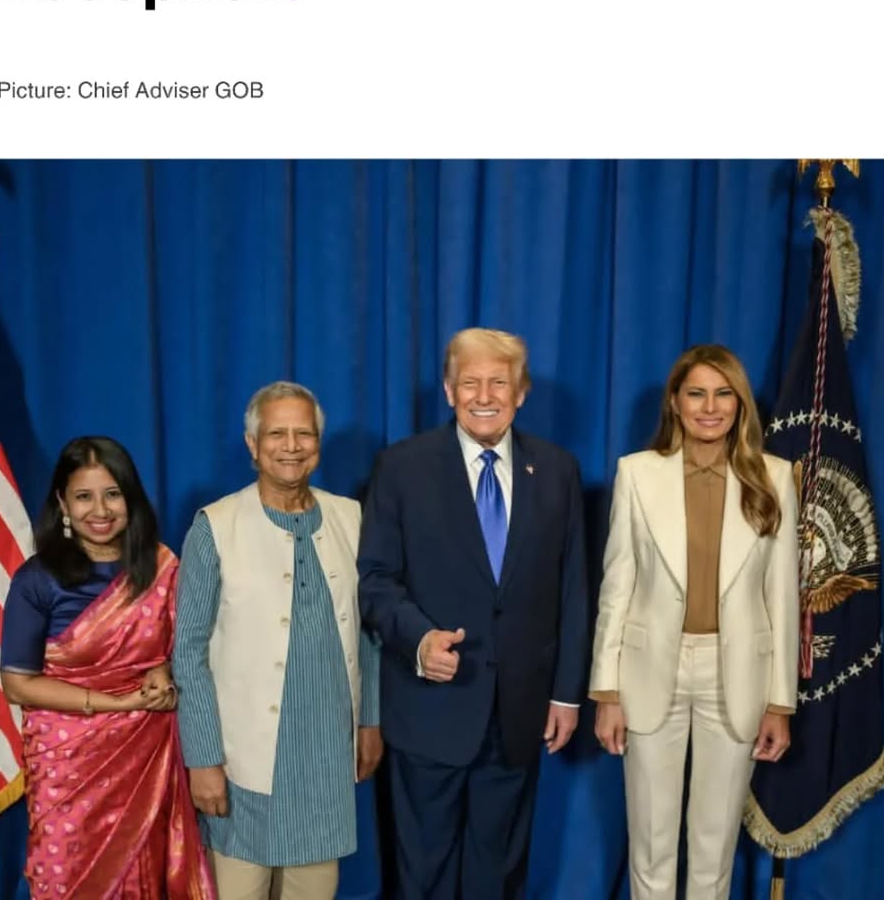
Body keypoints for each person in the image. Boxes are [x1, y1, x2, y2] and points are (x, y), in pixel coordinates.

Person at [359, 327, 588, 899]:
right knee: (423, 873)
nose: (484, 395)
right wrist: (418, 641)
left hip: (517, 712)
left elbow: (574, 589)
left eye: (499, 382)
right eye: (470, 382)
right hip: (429, 710)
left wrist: (565, 694)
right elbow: (376, 581)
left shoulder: (557, 470)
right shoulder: (401, 468)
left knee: (498, 874)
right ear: (447, 388)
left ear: (522, 391)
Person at [590, 344, 800, 900]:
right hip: (648, 670)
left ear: (740, 403)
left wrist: (780, 703)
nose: (711, 407)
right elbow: (617, 587)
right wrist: (606, 690)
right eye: (697, 393)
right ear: (676, 403)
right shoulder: (637, 474)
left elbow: (781, 596)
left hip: (735, 677)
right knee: (652, 843)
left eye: (723, 393)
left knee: (714, 844)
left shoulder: (775, 478)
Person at [173, 381, 382, 900]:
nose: (291, 446)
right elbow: (188, 653)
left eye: (303, 434)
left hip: (325, 762)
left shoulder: (351, 518)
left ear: (318, 442)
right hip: (241, 762)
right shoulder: (215, 527)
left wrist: (371, 721)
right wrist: (202, 759)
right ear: (252, 445)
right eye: (276, 434)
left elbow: (368, 632)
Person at [0, 435, 215, 900]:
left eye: (112, 493)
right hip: (68, 766)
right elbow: (17, 685)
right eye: (83, 496)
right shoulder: (37, 580)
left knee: (147, 872)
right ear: (62, 502)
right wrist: (114, 703)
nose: (100, 509)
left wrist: (163, 671)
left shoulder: (163, 568)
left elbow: (188, 651)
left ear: (131, 498)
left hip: (149, 759)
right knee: (68, 879)